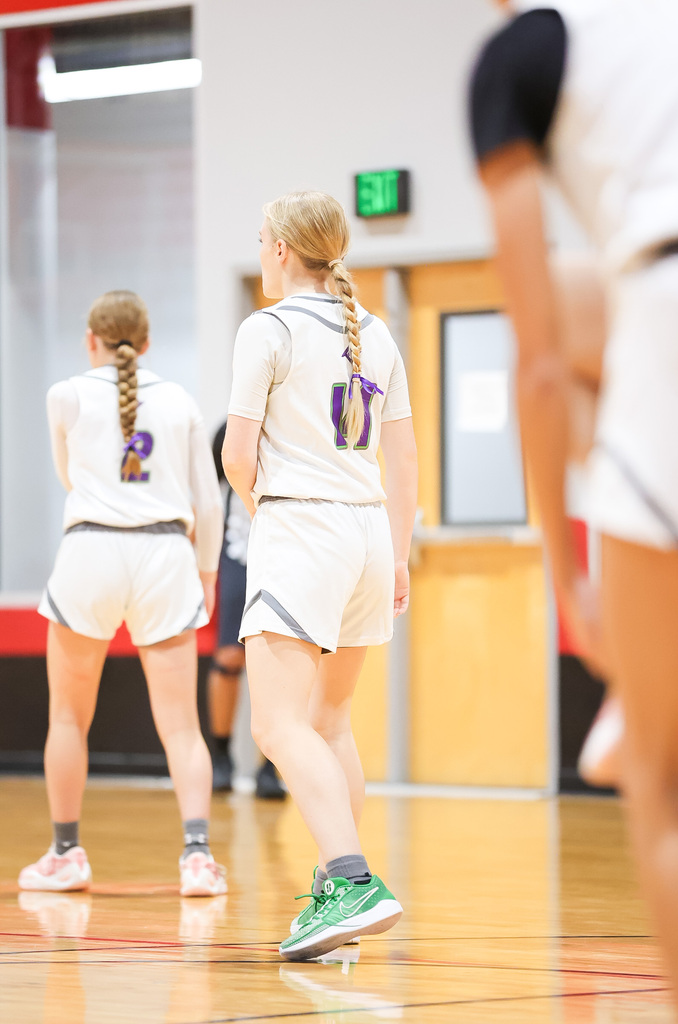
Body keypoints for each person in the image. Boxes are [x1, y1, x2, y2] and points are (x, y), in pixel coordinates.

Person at [469, 0, 678, 1011]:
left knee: (662, 789)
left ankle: (637, 691)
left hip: (664, 308)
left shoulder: (525, 55)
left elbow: (541, 365)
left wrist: (569, 580)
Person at [222, 191, 417, 961]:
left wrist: (263, 510)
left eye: (259, 239)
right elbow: (403, 461)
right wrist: (397, 552)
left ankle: (350, 880)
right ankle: (338, 905)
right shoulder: (377, 330)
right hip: (368, 531)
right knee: (330, 723)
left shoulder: (266, 328)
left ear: (278, 249)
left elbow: (237, 456)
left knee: (275, 726)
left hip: (302, 529)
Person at [19, 290, 227, 898]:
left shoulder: (65, 394)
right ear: (147, 341)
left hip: (91, 550)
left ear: (91, 339)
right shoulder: (180, 400)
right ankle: (197, 857)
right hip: (166, 553)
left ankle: (66, 855)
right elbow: (209, 504)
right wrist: (206, 576)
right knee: (182, 726)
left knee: (67, 716)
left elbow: (69, 477)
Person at [207, 422, 286, 798]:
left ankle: (271, 766)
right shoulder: (230, 431)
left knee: (280, 663)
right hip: (237, 553)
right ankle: (220, 755)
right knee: (228, 658)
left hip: (282, 554)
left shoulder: (286, 431)